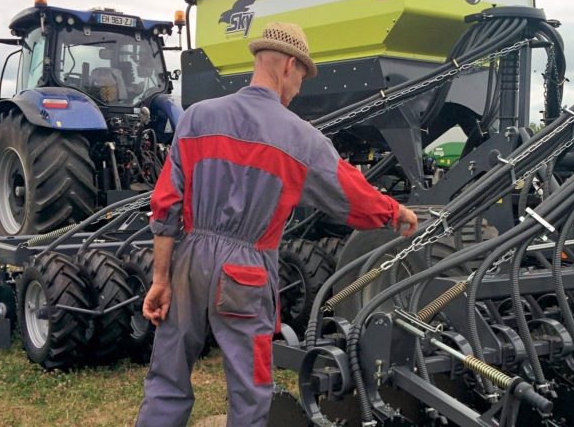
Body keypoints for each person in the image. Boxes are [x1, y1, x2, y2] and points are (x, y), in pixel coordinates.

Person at [136, 22, 418, 426]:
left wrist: (161, 279)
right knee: (250, 390)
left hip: (187, 261)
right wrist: (394, 213)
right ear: (288, 66)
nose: (299, 89)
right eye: (301, 77)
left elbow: (166, 207)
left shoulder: (197, 117)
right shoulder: (299, 137)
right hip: (245, 271)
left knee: (167, 375)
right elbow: (348, 193)